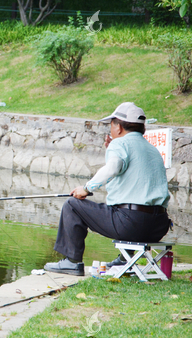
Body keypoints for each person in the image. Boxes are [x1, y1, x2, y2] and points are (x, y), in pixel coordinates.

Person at [44, 102, 171, 276]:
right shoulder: (152, 150)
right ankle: (125, 259)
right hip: (158, 227)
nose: (110, 129)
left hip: (131, 225)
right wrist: (110, 150)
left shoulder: (119, 145)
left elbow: (112, 168)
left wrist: (86, 189)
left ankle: (72, 262)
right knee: (127, 208)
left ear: (118, 127)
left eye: (111, 124)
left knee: (72, 205)